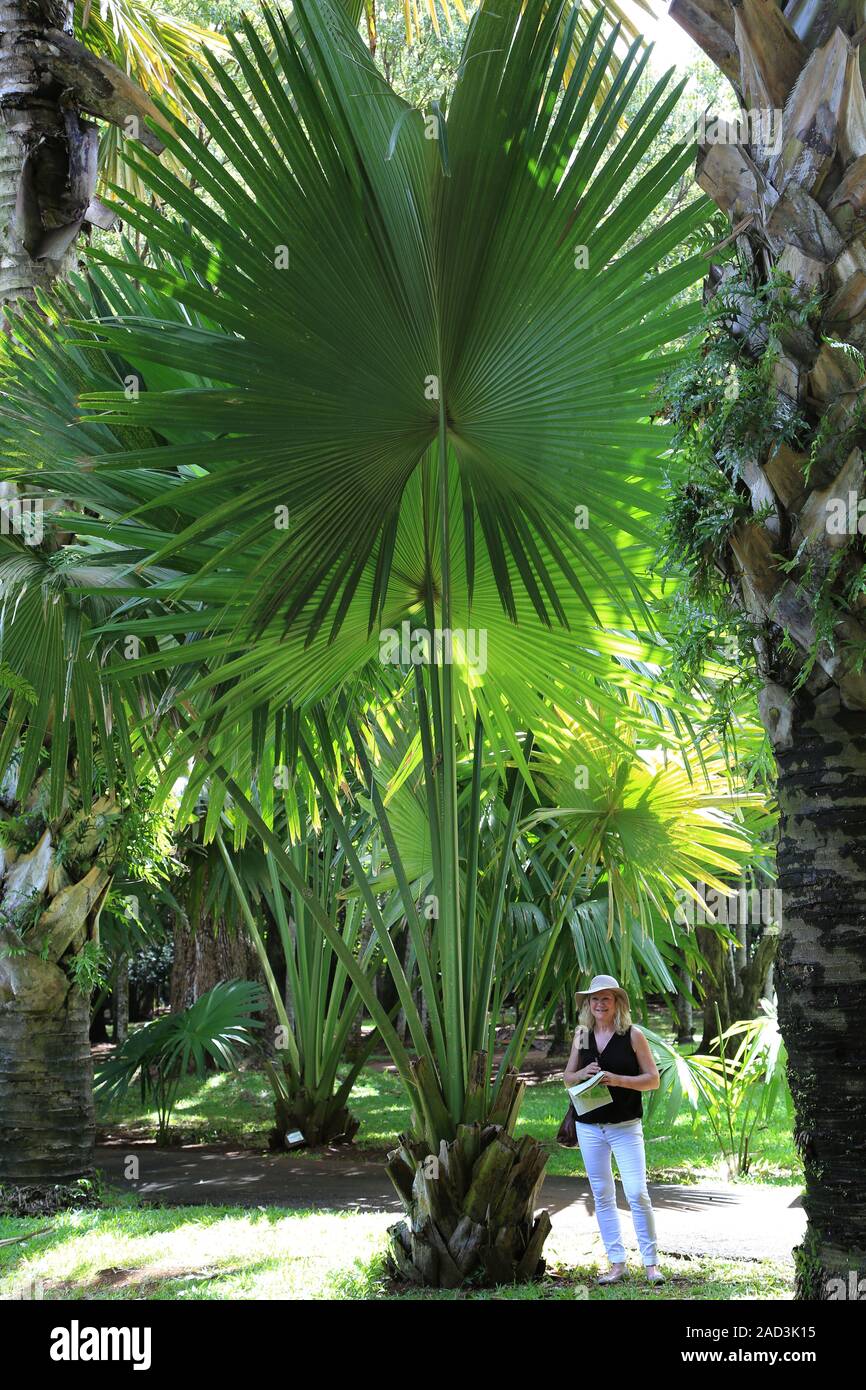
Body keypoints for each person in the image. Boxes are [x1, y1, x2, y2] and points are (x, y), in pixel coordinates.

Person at [563, 974, 665, 1286]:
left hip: (625, 1126)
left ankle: (651, 1265)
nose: (599, 1003)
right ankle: (617, 1264)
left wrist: (619, 1080)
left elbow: (653, 1079)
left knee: (637, 1192)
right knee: (602, 1194)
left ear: (617, 1002)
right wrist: (583, 1072)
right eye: (594, 999)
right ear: (587, 1004)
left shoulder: (632, 1035)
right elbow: (567, 1077)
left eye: (606, 998)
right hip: (589, 1127)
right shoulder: (582, 1034)